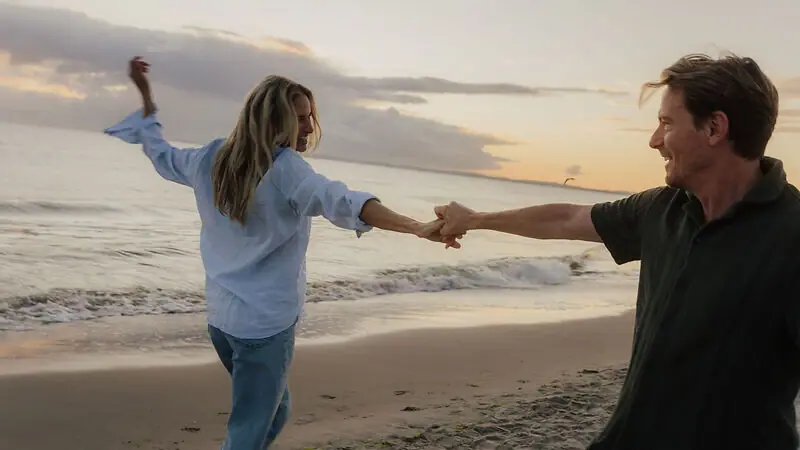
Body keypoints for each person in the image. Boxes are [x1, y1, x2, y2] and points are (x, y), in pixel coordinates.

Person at [435, 53, 800, 449]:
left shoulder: (791, 235)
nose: (654, 140)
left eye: (666, 123)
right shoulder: (662, 209)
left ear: (714, 127)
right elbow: (566, 219)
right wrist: (474, 219)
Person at [104, 56, 461, 450]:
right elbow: (340, 200)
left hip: (222, 323)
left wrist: (147, 101)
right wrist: (415, 227)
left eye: (310, 116)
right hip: (265, 328)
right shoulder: (286, 169)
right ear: (273, 120)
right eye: (300, 118)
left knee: (276, 410)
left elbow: (162, 154)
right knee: (248, 432)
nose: (308, 127)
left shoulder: (211, 157)